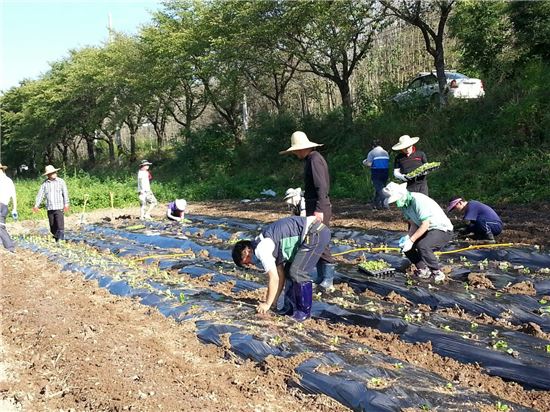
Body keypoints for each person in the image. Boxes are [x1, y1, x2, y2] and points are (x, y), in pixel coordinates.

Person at [232, 216, 331, 321]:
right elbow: (280, 275)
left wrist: (267, 304)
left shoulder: (261, 248)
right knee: (288, 272)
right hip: (310, 234)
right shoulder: (265, 244)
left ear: (247, 252)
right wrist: (273, 302)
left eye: (247, 262)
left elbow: (273, 278)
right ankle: (290, 308)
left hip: (315, 233)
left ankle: (304, 312)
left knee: (297, 272)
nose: (251, 264)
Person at [280, 131, 335, 290]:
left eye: (296, 150)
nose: (295, 153)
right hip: (314, 204)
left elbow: (321, 186)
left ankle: (328, 279)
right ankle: (322, 276)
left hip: (320, 206)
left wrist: (319, 209)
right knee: (317, 240)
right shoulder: (312, 159)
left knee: (320, 240)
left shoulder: (314, 160)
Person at [383, 182, 453, 282]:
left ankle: (437, 271)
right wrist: (408, 238)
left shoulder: (418, 200)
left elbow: (425, 224)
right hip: (427, 229)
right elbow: (414, 224)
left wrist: (412, 240)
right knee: (406, 247)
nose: (395, 203)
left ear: (402, 195)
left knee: (423, 245)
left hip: (442, 229)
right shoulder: (405, 206)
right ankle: (423, 269)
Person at [33, 165, 70, 242]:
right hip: (50, 208)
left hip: (59, 207)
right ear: (48, 175)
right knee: (52, 226)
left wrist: (66, 204)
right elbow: (40, 195)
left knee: (60, 226)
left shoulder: (61, 182)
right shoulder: (45, 184)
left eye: (55, 172)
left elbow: (65, 193)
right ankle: (56, 239)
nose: (55, 173)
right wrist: (36, 205)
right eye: (52, 173)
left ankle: (61, 240)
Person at [362, 139, 390, 209]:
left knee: (380, 188)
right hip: (385, 172)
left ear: (373, 146)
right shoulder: (385, 152)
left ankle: (385, 203)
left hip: (376, 172)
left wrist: (364, 162)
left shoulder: (372, 152)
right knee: (380, 187)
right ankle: (376, 204)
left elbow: (369, 164)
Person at [0, 163, 17, 253]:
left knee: (0, 227)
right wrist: (14, 208)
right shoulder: (9, 180)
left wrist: (15, 208)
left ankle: (9, 247)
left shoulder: (6, 181)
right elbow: (13, 195)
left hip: (2, 205)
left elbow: (13, 195)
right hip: (5, 206)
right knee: (1, 226)